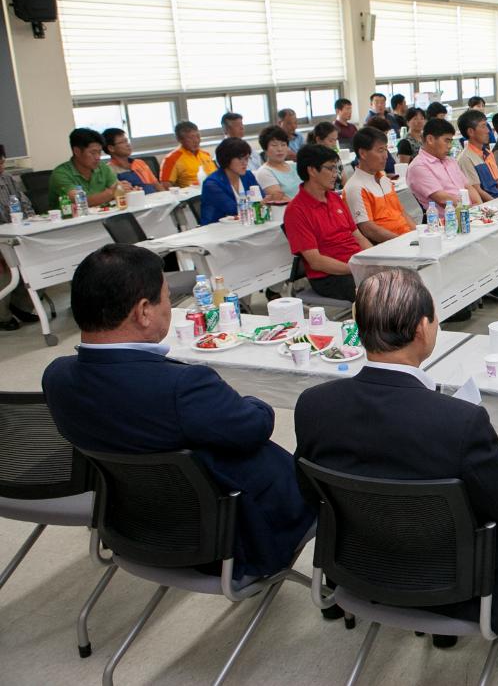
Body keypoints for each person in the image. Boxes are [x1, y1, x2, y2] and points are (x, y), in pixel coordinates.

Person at [295, 268, 498, 663]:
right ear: (422, 329)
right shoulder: (459, 421)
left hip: (362, 569)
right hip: (458, 581)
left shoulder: (314, 406)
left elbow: (313, 495)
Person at [42, 244, 315, 579]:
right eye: (167, 298)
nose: (170, 308)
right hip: (231, 535)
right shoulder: (182, 387)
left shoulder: (56, 377)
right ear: (143, 311)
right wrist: (253, 400)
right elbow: (254, 427)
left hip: (139, 526)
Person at [283, 144, 372, 303]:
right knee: (383, 292)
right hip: (330, 277)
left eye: (336, 168)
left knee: (404, 278)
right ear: (312, 170)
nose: (336, 174)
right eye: (330, 168)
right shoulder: (296, 211)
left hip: (356, 265)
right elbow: (316, 262)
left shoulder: (335, 199)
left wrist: (376, 259)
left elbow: (358, 236)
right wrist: (355, 269)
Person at [343, 126, 414, 244]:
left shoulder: (384, 180)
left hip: (406, 240)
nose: (386, 155)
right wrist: (404, 242)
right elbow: (368, 230)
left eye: (386, 149)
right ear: (363, 153)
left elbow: (402, 213)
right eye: (380, 150)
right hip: (388, 246)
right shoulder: (355, 187)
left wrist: (418, 234)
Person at [406, 117, 482, 210]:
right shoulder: (418, 167)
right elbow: (442, 199)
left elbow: (468, 187)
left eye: (451, 141)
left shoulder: (450, 161)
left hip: (469, 212)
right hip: (447, 220)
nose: (450, 146)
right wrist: (469, 209)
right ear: (430, 139)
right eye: (447, 141)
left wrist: (479, 206)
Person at [0, 144, 37, 330]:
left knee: (39, 259)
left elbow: (25, 203)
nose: (1, 166)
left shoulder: (7, 179)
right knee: (4, 269)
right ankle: (3, 316)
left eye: (2, 161)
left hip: (17, 233)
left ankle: (21, 306)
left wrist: (30, 220)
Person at [49, 128, 122, 208]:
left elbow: (118, 190)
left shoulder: (103, 167)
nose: (98, 157)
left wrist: (123, 188)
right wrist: (111, 193)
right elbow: (80, 202)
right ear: (77, 151)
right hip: (72, 219)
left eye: (99, 152)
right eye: (93, 152)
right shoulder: (61, 174)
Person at [199, 138, 261, 225]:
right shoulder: (212, 184)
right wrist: (258, 204)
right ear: (227, 159)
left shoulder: (248, 176)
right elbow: (233, 209)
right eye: (240, 159)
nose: (245, 163)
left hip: (245, 224)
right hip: (216, 230)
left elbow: (262, 198)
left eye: (246, 159)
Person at [457, 109, 498, 202]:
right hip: (488, 206)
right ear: (470, 132)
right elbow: (477, 190)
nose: (488, 131)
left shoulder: (488, 153)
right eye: (483, 126)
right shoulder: (465, 158)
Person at [103, 128, 163, 193]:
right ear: (111, 148)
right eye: (122, 142)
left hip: (155, 199)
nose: (128, 145)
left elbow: (156, 185)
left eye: (126, 141)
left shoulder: (140, 163)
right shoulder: (108, 170)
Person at [159, 121, 216, 188]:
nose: (196, 141)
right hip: (193, 195)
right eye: (191, 138)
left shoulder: (206, 154)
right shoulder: (171, 159)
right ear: (180, 139)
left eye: (198, 136)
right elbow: (165, 185)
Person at [255, 126, 304, 201]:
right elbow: (280, 199)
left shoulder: (295, 166)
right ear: (265, 148)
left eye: (283, 145)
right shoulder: (264, 172)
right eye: (274, 145)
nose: (280, 149)